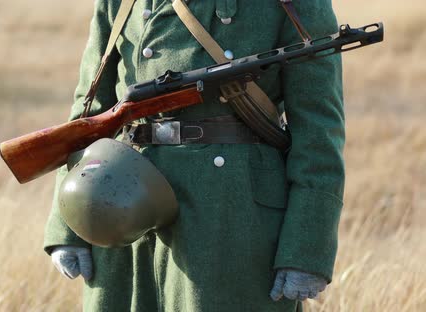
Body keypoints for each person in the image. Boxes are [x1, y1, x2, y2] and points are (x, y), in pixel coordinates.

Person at [44, 0, 345, 311]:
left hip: (232, 215)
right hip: (120, 200)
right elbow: (88, 110)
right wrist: (68, 223)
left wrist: (307, 249)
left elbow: (319, 131)